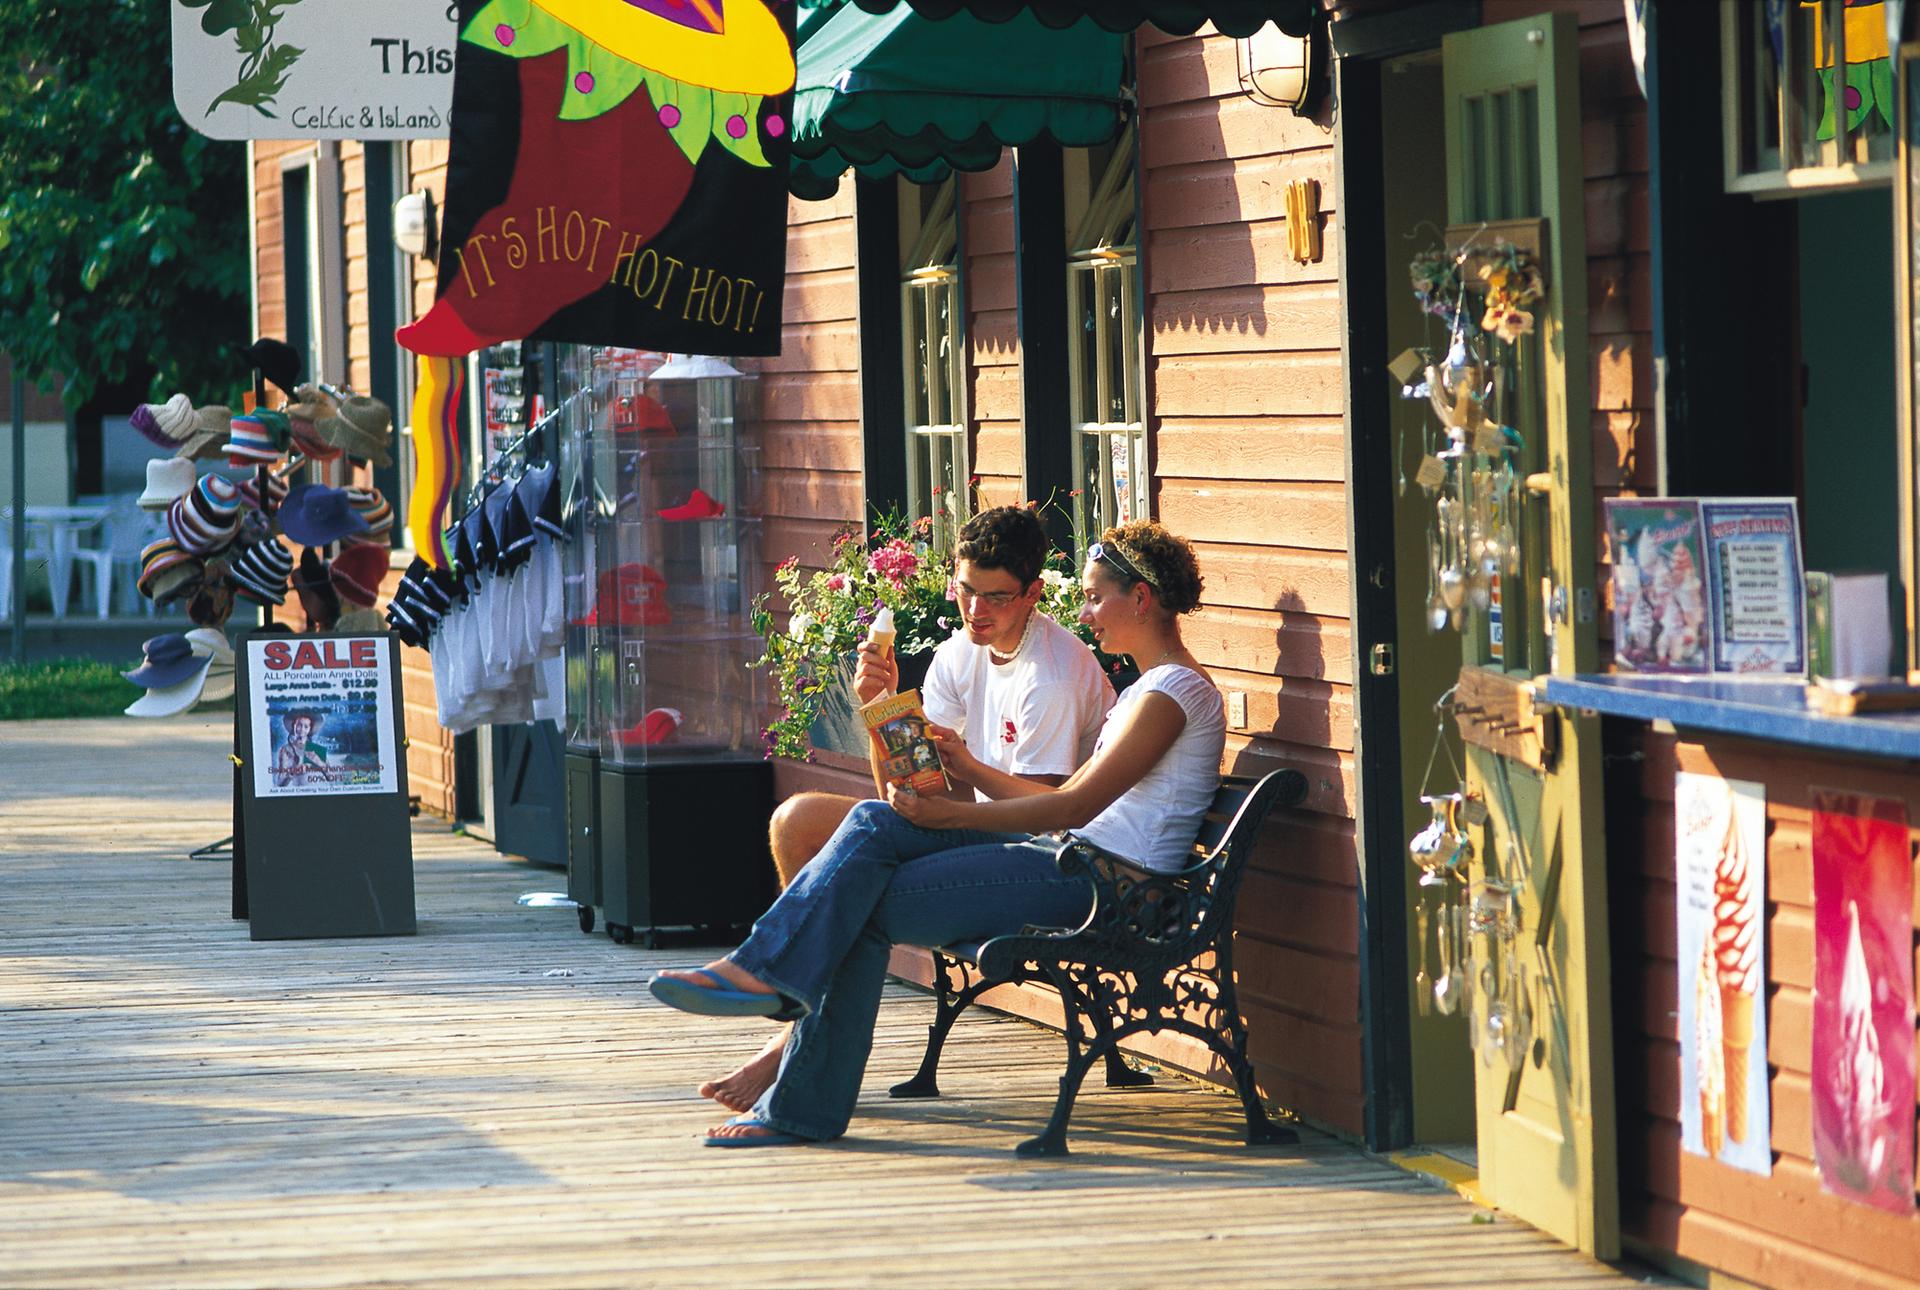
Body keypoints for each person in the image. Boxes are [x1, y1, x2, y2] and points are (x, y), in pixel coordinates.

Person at [652, 520, 1224, 1147]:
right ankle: (765, 986)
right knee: (872, 821)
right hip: (1069, 864)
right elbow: (1059, 804)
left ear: (1140, 598)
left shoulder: (1171, 693)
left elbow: (1074, 805)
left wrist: (954, 812)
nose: (1086, 613)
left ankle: (780, 1032)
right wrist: (923, 741)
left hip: (1103, 885)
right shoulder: (1146, 690)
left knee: (861, 901)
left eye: (1095, 597)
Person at [697, 505, 1115, 1112]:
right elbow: (915, 791)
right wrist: (880, 709)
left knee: (856, 880)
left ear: (1032, 594)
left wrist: (959, 776)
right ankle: (794, 1010)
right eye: (966, 590)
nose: (976, 611)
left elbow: (1039, 816)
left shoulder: (1051, 674)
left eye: (996, 598)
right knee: (797, 822)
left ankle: (791, 1027)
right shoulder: (957, 655)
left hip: (1039, 856)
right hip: (972, 829)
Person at [272, 710, 328, 787]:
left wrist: (319, 762)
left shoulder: (317, 749)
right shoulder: (285, 750)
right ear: (293, 726)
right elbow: (279, 784)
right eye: (299, 725)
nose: (302, 729)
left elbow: (332, 778)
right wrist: (292, 772)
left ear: (310, 729)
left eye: (306, 726)